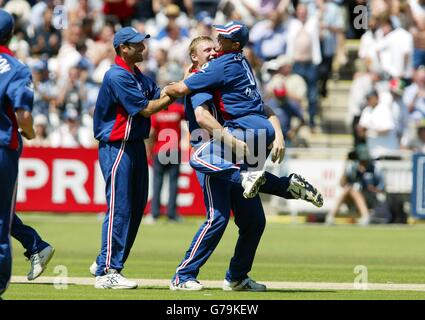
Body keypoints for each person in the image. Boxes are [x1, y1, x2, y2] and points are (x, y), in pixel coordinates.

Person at [168, 35, 323, 292]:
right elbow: (202, 117)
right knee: (217, 218)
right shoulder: (199, 79)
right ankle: (182, 276)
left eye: (214, 48)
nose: (213, 51)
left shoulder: (227, 74)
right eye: (206, 49)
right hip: (212, 155)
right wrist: (230, 140)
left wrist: (279, 135)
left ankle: (237, 278)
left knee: (254, 222)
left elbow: (264, 109)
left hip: (235, 153)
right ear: (194, 57)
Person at [91, 26, 175, 289]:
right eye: (137, 44)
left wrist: (180, 84)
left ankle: (106, 261)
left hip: (134, 146)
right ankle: (107, 271)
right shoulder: (117, 75)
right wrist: (177, 91)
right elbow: (147, 108)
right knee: (120, 208)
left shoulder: (136, 74)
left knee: (136, 208)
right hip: (117, 147)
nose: (143, 47)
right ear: (123, 48)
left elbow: (158, 93)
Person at [0, 9, 54, 297]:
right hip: (3, 148)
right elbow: (24, 117)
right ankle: (35, 245)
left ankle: (35, 245)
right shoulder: (16, 68)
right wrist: (30, 134)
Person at [325, 145, 386, 226]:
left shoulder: (374, 169)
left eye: (364, 161)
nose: (362, 164)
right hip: (353, 199)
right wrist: (345, 165)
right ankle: (331, 216)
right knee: (348, 189)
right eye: (361, 161)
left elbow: (382, 187)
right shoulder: (353, 168)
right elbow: (342, 184)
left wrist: (374, 189)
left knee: (353, 190)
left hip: (370, 197)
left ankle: (365, 216)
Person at [149, 101, 185, 222]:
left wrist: (149, 150)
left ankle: (154, 214)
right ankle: (172, 214)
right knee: (173, 183)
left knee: (157, 182)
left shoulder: (157, 110)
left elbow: (152, 133)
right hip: (174, 150)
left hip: (159, 150)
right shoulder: (179, 109)